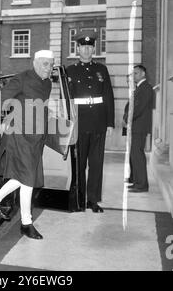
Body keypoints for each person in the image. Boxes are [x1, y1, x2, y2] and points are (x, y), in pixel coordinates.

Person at [0, 50, 54, 239]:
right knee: (28, 177)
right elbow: (1, 99)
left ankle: (14, 215)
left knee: (26, 179)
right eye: (46, 64)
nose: (50, 68)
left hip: (37, 138)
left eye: (52, 64)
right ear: (36, 63)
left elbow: (42, 109)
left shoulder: (48, 83)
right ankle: (21, 219)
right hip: (20, 136)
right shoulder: (21, 78)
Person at [66, 30, 115, 213]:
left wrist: (110, 123)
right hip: (79, 123)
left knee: (96, 163)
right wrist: (67, 123)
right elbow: (67, 99)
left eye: (89, 47)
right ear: (77, 48)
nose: (86, 50)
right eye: (83, 47)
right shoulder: (70, 70)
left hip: (98, 123)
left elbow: (108, 96)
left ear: (93, 49)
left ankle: (93, 200)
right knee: (79, 164)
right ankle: (79, 200)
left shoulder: (102, 69)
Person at [122, 65, 153, 193]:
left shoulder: (145, 88)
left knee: (137, 155)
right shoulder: (140, 88)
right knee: (134, 155)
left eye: (135, 73)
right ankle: (136, 181)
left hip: (139, 126)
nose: (132, 76)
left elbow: (138, 108)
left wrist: (127, 119)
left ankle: (142, 185)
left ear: (143, 74)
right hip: (135, 126)